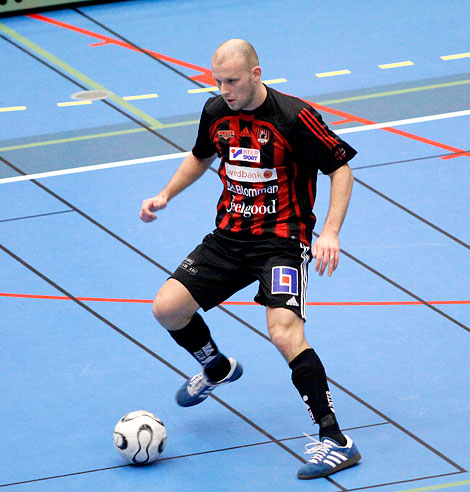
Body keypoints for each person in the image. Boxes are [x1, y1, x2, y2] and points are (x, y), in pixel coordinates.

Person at [140, 39, 360, 479]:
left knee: (283, 333)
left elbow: (340, 168)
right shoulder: (215, 112)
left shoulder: (294, 117)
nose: (225, 90)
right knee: (167, 309)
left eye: (233, 81)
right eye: (218, 81)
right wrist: (165, 194)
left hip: (281, 240)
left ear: (256, 74)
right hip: (228, 238)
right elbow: (200, 156)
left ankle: (335, 439)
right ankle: (216, 367)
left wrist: (330, 232)